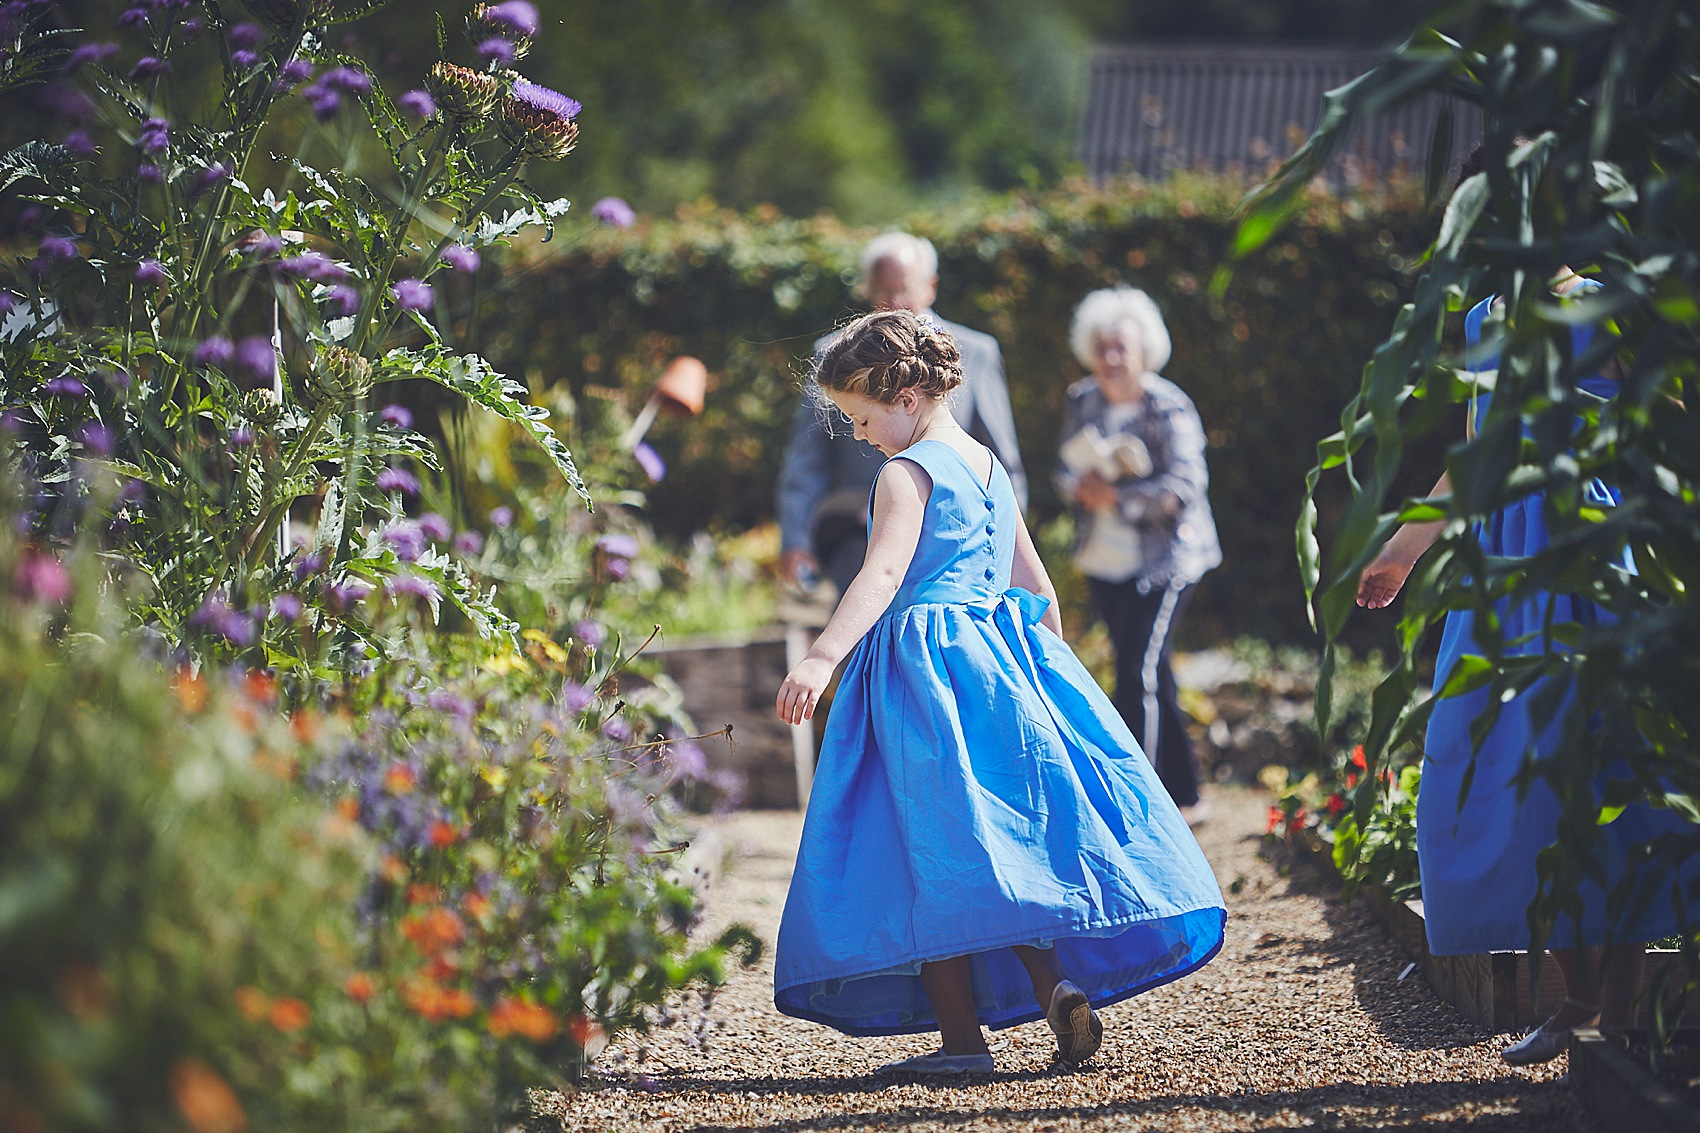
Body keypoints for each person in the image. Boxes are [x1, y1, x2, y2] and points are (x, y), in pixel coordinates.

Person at [772, 309, 1224, 1076]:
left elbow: (882, 574)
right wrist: (1041, 681)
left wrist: (820, 657)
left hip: (920, 674)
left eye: (860, 414)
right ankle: (1055, 987)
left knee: (924, 849)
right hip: (995, 668)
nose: (857, 433)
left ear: (905, 394)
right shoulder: (985, 466)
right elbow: (1038, 588)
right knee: (997, 845)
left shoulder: (905, 474)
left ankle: (961, 1044)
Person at [1358, 268, 1699, 1064]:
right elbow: (1477, 452)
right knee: (1513, 771)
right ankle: (1576, 1000)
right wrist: (1403, 551)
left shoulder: (1612, 296)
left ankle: (1606, 1011)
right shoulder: (1488, 313)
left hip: (1602, 551)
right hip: (1510, 574)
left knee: (1611, 773)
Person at [777, 231, 1026, 598]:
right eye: (881, 289)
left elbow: (1002, 461)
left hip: (952, 549)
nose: (893, 302)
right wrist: (796, 540)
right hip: (861, 541)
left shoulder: (976, 352)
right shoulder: (833, 357)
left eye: (904, 289)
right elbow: (807, 459)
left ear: (931, 286)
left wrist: (1002, 544)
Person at [1056, 287, 1220, 825]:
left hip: (1164, 562)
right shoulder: (1083, 399)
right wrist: (1078, 487)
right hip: (1105, 562)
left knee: (1136, 672)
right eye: (1101, 348)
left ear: (1145, 351)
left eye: (1121, 348)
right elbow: (1060, 472)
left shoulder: (1168, 404)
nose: (1110, 359)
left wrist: (1119, 499)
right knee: (1155, 674)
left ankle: (1140, 808)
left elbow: (1186, 484)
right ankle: (1186, 795)